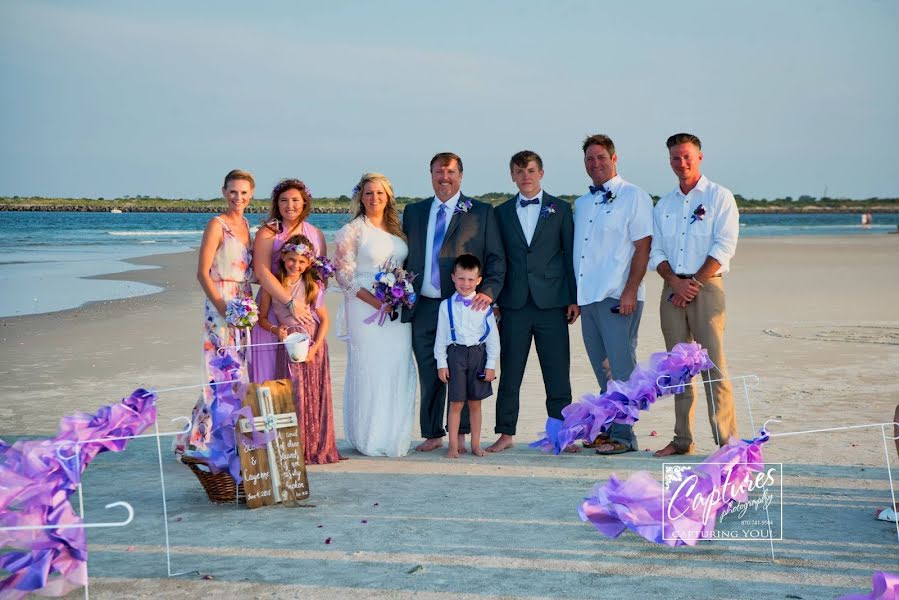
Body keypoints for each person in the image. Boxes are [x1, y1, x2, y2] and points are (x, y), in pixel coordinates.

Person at [402, 152, 506, 453]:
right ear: (430, 174)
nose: (444, 177)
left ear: (460, 175)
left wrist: (489, 292)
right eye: (438, 172)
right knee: (429, 368)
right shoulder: (415, 211)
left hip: (464, 307)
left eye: (450, 172)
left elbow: (496, 258)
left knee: (463, 369)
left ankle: (460, 436)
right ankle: (433, 432)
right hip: (423, 304)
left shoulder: (481, 212)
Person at [650, 133, 739, 457]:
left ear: (699, 157)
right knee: (678, 368)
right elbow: (656, 250)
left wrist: (694, 284)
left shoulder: (719, 197)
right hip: (672, 289)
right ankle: (682, 439)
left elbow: (724, 245)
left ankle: (727, 441)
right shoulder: (665, 203)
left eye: (686, 156)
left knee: (714, 366)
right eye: (675, 157)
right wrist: (674, 281)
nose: (681, 162)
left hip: (707, 287)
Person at [489, 150, 578, 453]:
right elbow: (496, 259)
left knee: (556, 371)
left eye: (530, 170)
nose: (525, 176)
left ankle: (560, 434)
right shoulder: (499, 213)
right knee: (510, 372)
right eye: (519, 171)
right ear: (512, 176)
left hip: (552, 304)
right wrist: (495, 301)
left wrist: (573, 298)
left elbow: (569, 256)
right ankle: (505, 433)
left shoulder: (561, 209)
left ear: (541, 173)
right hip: (513, 304)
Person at [574, 135, 653, 455]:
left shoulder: (635, 196)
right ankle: (607, 429)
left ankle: (624, 435)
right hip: (588, 297)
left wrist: (630, 291)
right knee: (602, 369)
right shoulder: (582, 203)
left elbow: (643, 247)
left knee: (621, 369)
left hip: (619, 297)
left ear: (614, 158)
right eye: (590, 159)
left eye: (601, 158)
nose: (596, 164)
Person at [334, 173, 417, 457]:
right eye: (368, 193)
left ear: (388, 196)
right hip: (365, 308)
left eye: (380, 193)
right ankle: (369, 437)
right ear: (360, 197)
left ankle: (394, 436)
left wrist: (399, 295)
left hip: (396, 310)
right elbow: (343, 276)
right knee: (370, 367)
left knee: (397, 365)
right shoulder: (352, 230)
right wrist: (376, 302)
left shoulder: (399, 230)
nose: (374, 198)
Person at [175, 169, 254, 460]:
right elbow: (202, 273)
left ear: (251, 195)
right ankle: (201, 441)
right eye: (233, 191)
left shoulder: (247, 225)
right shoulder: (216, 225)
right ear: (224, 192)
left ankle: (217, 434)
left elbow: (250, 271)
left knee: (239, 371)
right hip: (220, 303)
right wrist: (224, 309)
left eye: (244, 192)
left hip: (245, 301)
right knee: (218, 370)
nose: (238, 197)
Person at [258, 234, 340, 464]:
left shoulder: (312, 284)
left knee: (313, 393)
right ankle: (293, 446)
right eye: (292, 259)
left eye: (302, 262)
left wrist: (315, 349)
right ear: (284, 257)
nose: (296, 265)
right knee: (292, 394)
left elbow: (324, 320)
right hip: (288, 344)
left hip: (312, 344)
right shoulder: (273, 286)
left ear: (308, 264)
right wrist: (277, 330)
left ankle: (313, 445)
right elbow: (262, 318)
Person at [250, 179, 326, 383]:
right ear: (277, 203)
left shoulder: (316, 234)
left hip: (305, 311)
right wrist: (289, 303)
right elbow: (262, 271)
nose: (289, 205)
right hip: (273, 305)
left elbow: (320, 275)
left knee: (305, 379)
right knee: (271, 377)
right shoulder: (269, 232)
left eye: (295, 200)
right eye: (283, 200)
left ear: (304, 203)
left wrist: (306, 304)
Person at [435, 255, 499, 458]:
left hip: (478, 356)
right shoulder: (446, 306)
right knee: (456, 403)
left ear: (479, 280)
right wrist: (441, 364)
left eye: (471, 279)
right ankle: (453, 445)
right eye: (461, 278)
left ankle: (476, 445)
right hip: (456, 354)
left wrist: (490, 365)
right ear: (453, 277)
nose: (466, 284)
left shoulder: (485, 307)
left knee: (475, 403)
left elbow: (492, 340)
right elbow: (440, 338)